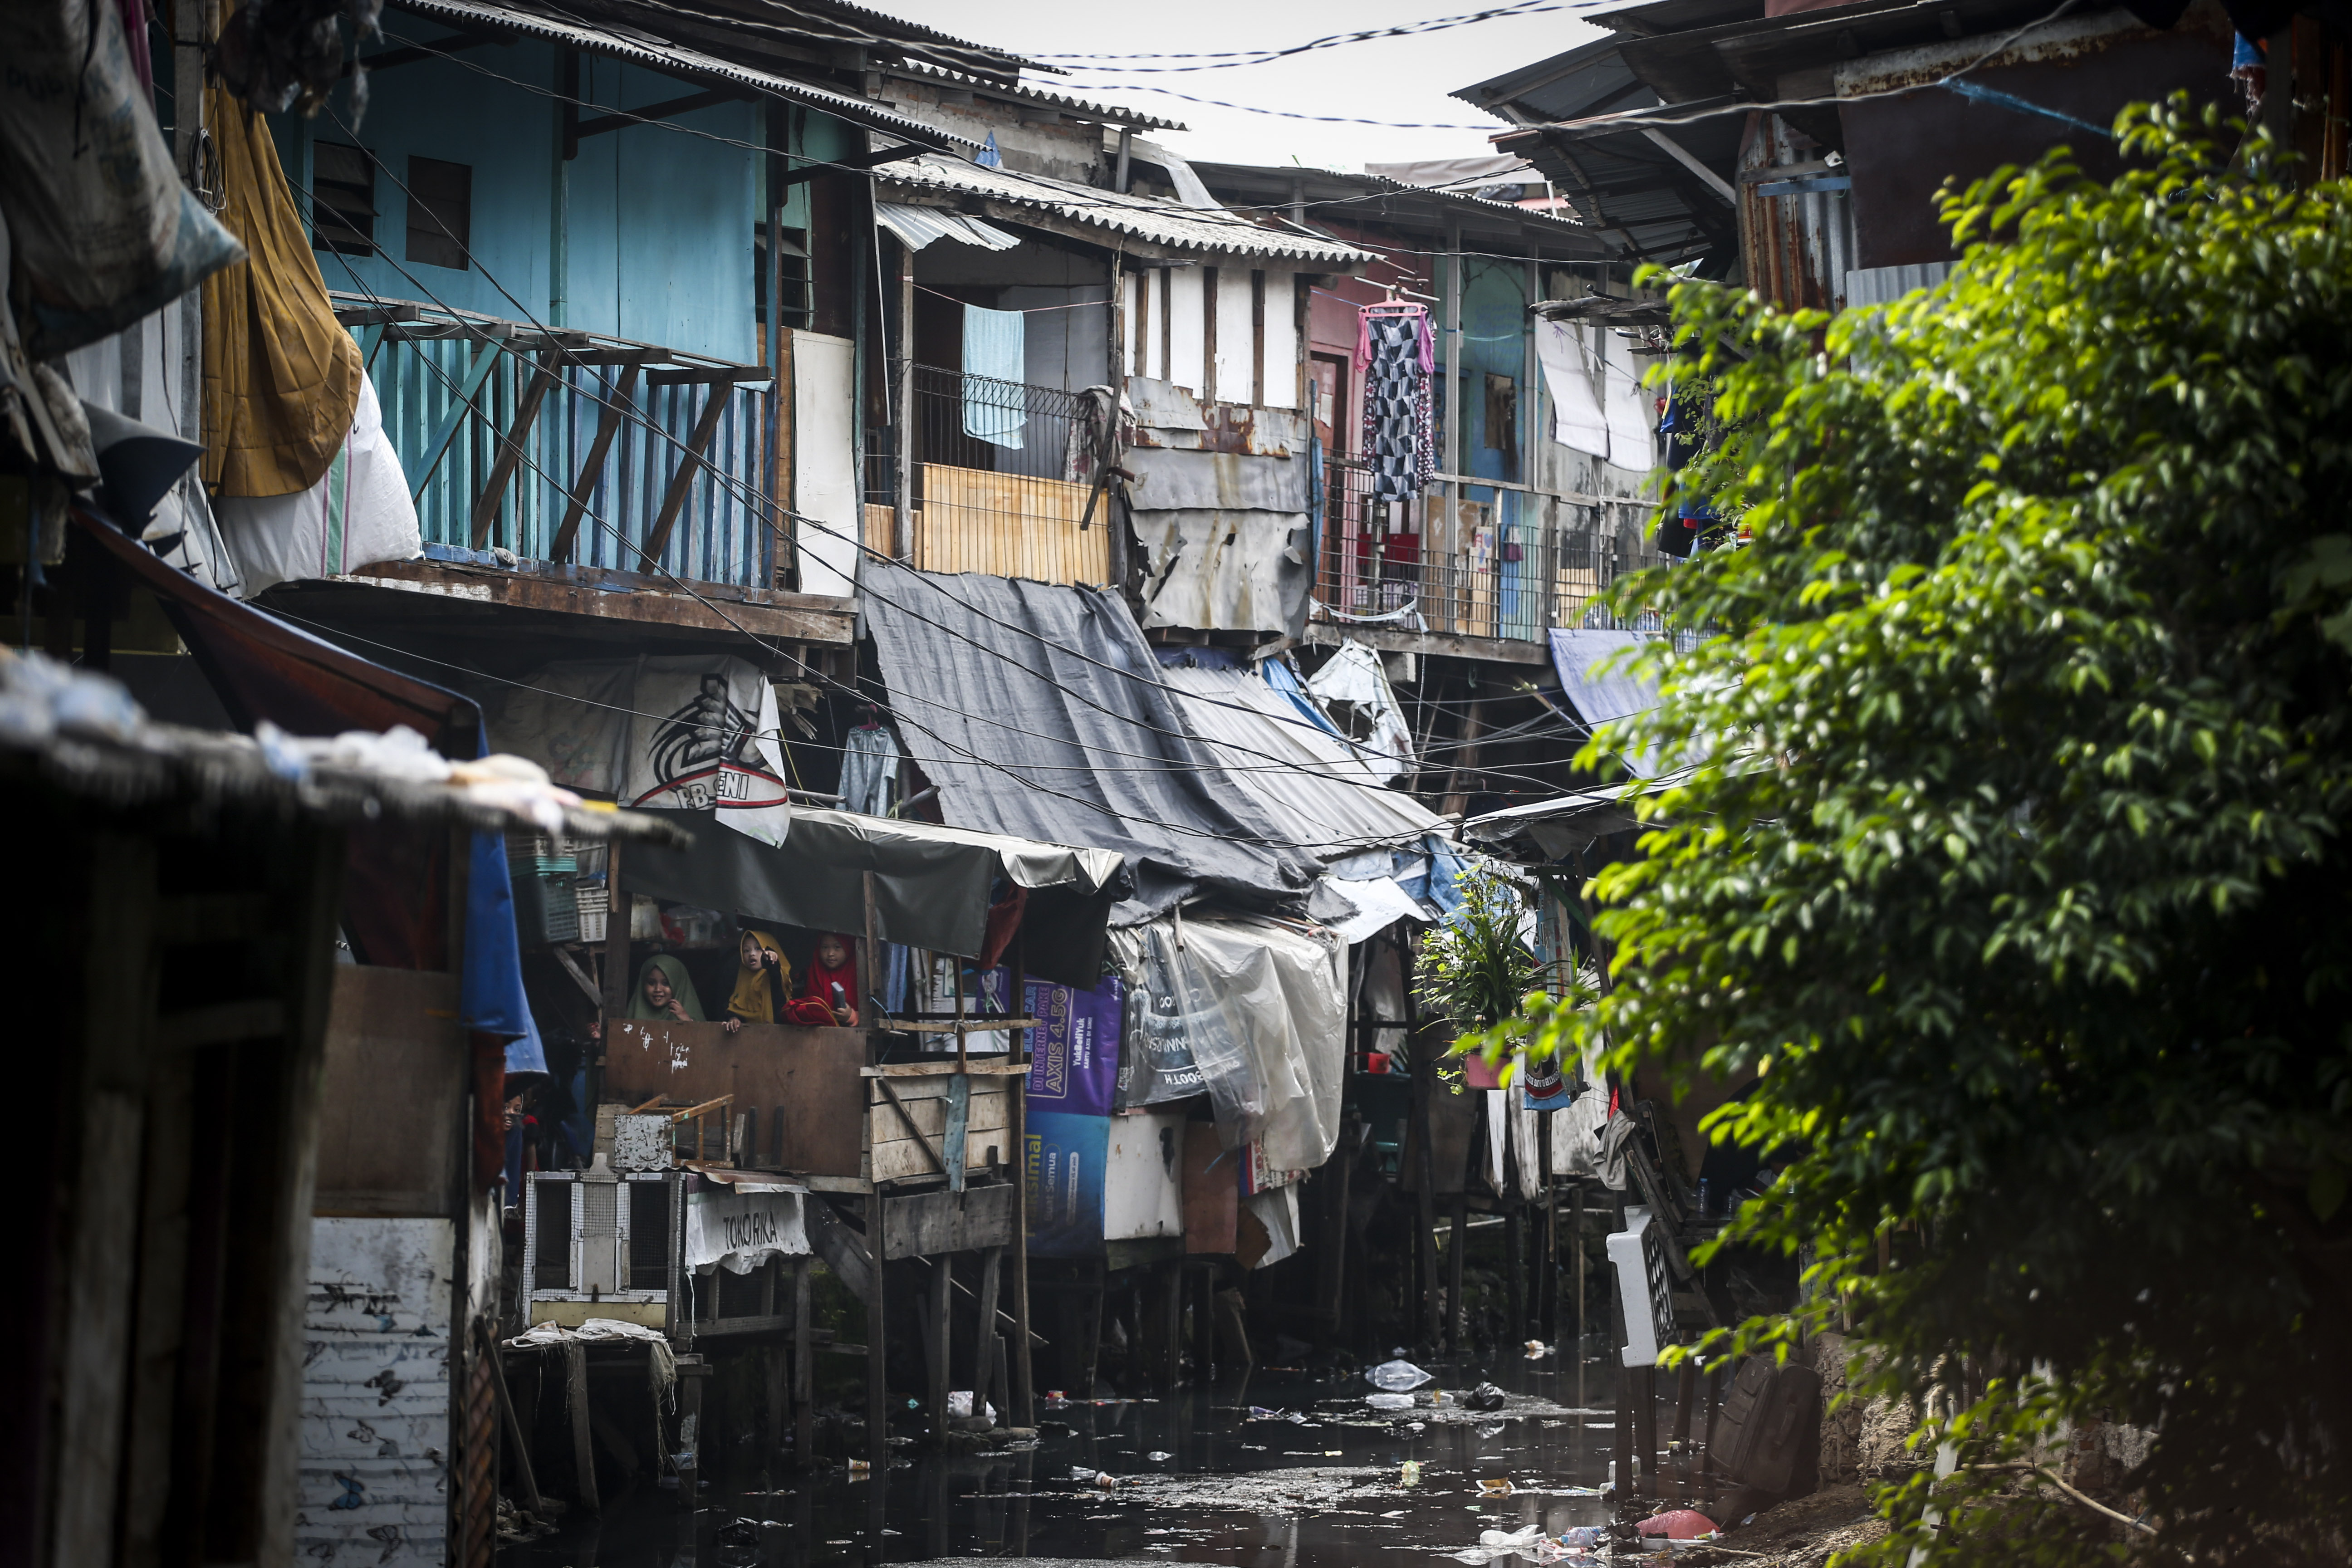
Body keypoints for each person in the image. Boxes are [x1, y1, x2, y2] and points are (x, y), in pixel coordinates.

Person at [721, 929, 790, 1034]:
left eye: (758, 949)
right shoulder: (741, 980)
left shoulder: (775, 976)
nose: (752, 954)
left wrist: (770, 959)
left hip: (777, 1037)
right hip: (750, 1038)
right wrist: (734, 1019)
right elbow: (736, 1007)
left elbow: (775, 973)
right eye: (746, 951)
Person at [782, 932, 858, 1027]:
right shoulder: (813, 973)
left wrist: (852, 1017)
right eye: (825, 947)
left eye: (837, 947)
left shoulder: (858, 974)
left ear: (848, 947)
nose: (830, 954)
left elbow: (870, 1014)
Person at [626, 953, 705, 1023]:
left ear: (678, 986)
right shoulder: (633, 1014)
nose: (658, 989)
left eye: (666, 983)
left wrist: (687, 1021)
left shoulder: (687, 1016)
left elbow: (701, 1035)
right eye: (651, 983)